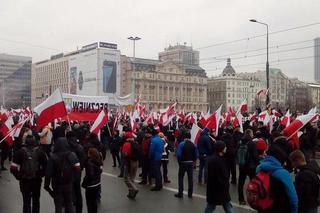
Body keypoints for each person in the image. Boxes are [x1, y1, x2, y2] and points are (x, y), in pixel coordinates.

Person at [256, 145, 298, 213]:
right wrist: (294, 210)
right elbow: (293, 196)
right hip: (279, 208)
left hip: (263, 206)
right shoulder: (283, 173)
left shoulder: (259, 168)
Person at [10, 135, 47, 213]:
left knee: (26, 202)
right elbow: (46, 167)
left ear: (25, 142)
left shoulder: (20, 152)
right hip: (36, 180)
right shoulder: (40, 152)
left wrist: (19, 176)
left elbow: (13, 168)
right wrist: (40, 174)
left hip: (24, 180)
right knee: (36, 201)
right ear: (34, 142)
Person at [44, 137, 81, 213]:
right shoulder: (72, 155)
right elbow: (78, 168)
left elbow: (48, 173)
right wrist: (73, 179)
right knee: (69, 203)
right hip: (68, 182)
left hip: (57, 184)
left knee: (58, 205)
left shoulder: (53, 157)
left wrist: (47, 186)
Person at [205, 141, 233, 213]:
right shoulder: (218, 160)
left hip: (213, 189)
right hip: (220, 188)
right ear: (221, 149)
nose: (226, 148)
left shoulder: (214, 158)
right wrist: (226, 182)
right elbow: (222, 175)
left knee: (211, 206)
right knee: (227, 205)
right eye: (224, 147)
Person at [66, 131, 86, 213]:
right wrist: (80, 168)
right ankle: (79, 210)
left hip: (67, 173)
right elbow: (83, 159)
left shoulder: (65, 146)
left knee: (68, 192)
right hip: (77, 172)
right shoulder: (79, 147)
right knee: (78, 191)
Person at [175, 132, 198, 198]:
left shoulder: (181, 144)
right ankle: (190, 194)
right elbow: (196, 155)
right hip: (190, 163)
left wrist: (179, 162)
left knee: (181, 177)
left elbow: (179, 155)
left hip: (183, 163)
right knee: (190, 178)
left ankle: (180, 193)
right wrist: (193, 161)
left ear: (184, 137)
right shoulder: (194, 145)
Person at [82, 148, 103, 213]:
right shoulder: (99, 161)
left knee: (89, 203)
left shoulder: (89, 163)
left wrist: (84, 182)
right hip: (97, 183)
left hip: (90, 186)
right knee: (94, 202)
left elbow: (90, 175)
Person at [122, 132, 140, 199]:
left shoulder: (126, 144)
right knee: (132, 178)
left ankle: (134, 189)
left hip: (129, 162)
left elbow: (125, 154)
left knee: (126, 178)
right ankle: (131, 193)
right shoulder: (135, 143)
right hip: (136, 162)